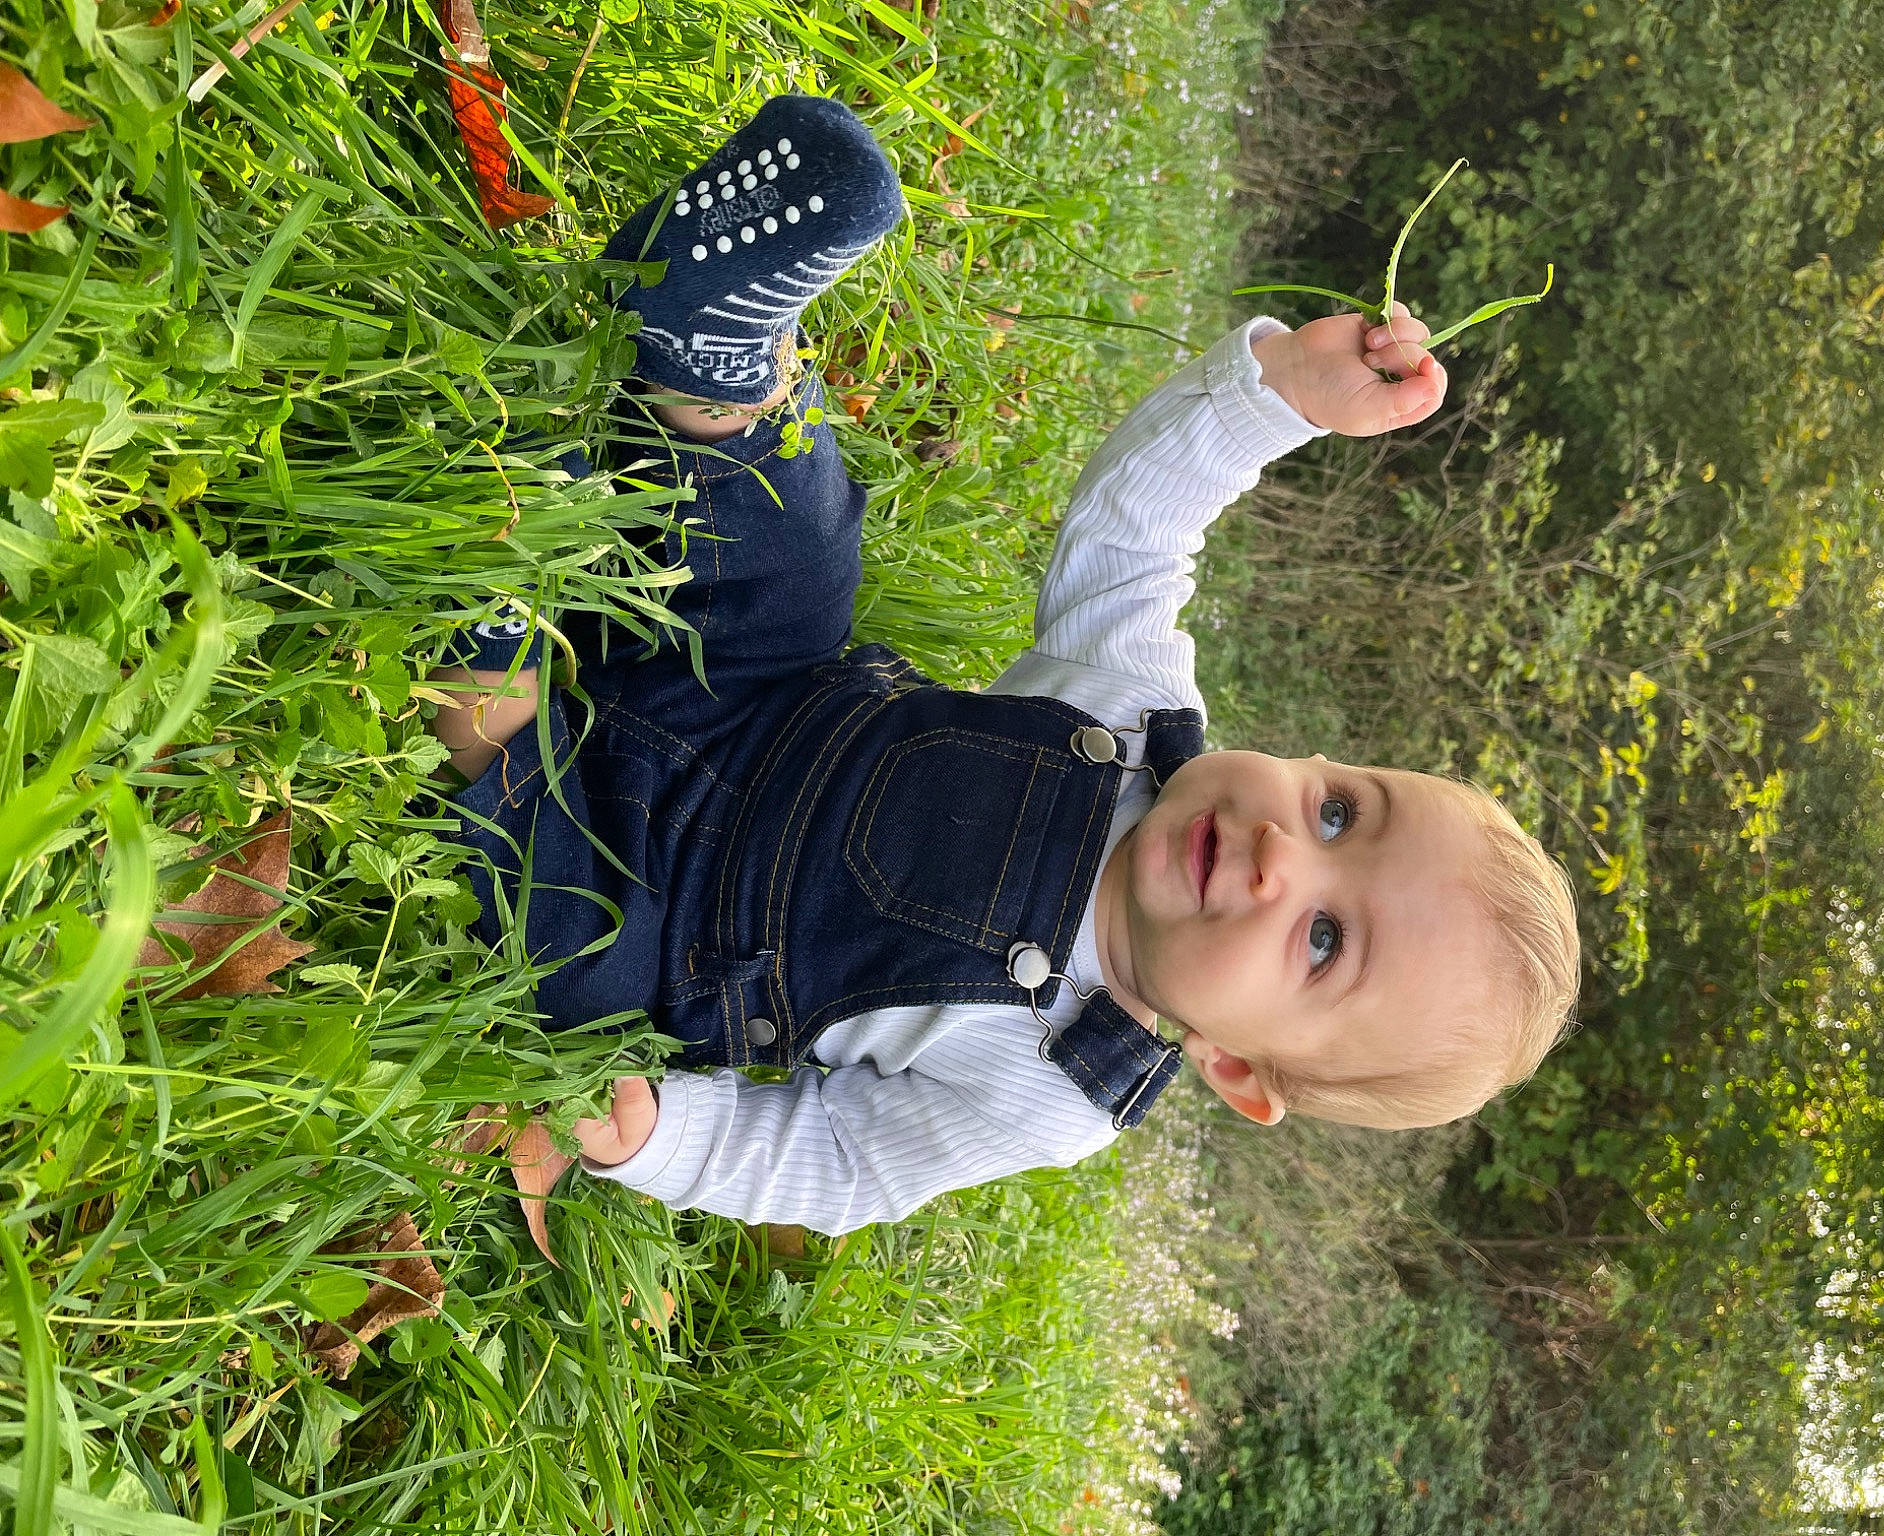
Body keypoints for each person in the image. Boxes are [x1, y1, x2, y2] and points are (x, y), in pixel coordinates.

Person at [426, 94, 1580, 1238]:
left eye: (1323, 941)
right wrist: (1271, 400)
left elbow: (840, 1164)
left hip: (655, 910)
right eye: (1338, 813)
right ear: (1323, 762)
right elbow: (1135, 531)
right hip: (743, 680)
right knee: (804, 555)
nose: (1283, 855)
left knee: (571, 958)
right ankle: (711, 356)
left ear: (1234, 1066)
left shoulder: (1053, 1093)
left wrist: (661, 1138)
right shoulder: (1136, 718)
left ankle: (487, 671)